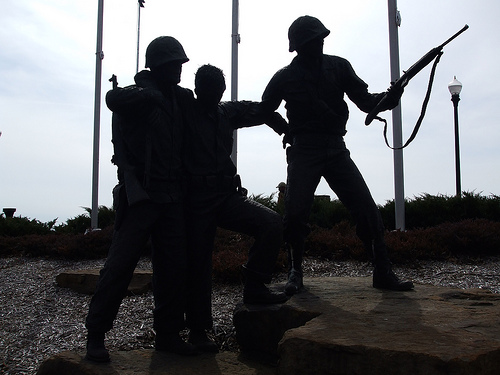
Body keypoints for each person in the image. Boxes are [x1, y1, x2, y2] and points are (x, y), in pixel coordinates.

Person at [260, 16, 414, 295]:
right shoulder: (285, 77)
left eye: (320, 39)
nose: (318, 44)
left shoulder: (339, 66)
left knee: (366, 209)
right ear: (299, 47)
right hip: (304, 150)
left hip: (335, 148)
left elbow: (366, 101)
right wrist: (286, 129)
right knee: (294, 215)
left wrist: (390, 98)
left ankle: (383, 270)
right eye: (312, 41)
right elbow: (265, 109)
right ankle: (295, 271)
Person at [84, 36, 197, 362]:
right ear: (159, 67)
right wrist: (149, 94)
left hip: (173, 195)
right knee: (119, 266)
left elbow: (211, 111)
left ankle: (169, 333)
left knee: (174, 269)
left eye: (180, 64)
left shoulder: (181, 98)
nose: (179, 69)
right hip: (142, 196)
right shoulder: (138, 96)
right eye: (174, 64)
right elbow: (112, 98)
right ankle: (96, 333)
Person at [182, 64, 289, 352]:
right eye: (209, 92)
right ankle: (198, 330)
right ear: (197, 90)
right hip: (195, 201)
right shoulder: (183, 110)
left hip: (226, 196)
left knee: (271, 223)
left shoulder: (226, 111)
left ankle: (255, 286)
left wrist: (282, 126)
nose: (215, 97)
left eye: (219, 92)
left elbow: (260, 109)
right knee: (199, 264)